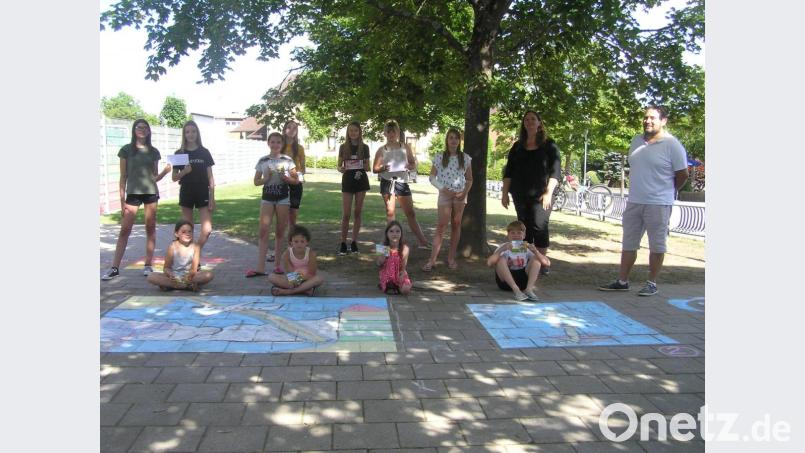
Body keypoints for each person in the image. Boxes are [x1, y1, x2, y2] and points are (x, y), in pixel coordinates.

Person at [599, 105, 688, 296]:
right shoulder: (636, 140)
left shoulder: (672, 145)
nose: (647, 121)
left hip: (659, 203)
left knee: (657, 245)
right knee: (628, 243)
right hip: (635, 201)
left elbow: (683, 174)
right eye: (645, 118)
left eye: (652, 118)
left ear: (663, 121)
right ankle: (622, 281)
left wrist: (669, 191)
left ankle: (652, 283)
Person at [102, 119, 171, 280]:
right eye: (139, 127)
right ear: (134, 130)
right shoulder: (126, 150)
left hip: (150, 193)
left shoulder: (154, 152)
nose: (142, 130)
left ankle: (148, 265)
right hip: (132, 194)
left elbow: (154, 177)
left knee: (150, 227)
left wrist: (166, 172)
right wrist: (121, 200)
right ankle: (115, 267)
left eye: (145, 128)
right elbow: (123, 176)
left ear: (148, 131)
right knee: (125, 230)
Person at [500, 111, 561, 275]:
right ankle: (525, 262)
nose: (529, 122)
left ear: (539, 123)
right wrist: (504, 193)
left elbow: (555, 172)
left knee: (540, 226)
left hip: (542, 195)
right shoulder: (517, 146)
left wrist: (548, 193)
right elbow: (509, 172)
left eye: (533, 119)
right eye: (526, 120)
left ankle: (541, 264)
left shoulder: (549, 145)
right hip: (520, 193)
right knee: (523, 227)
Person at [246, 132, 300, 278]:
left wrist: (287, 178)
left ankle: (277, 265)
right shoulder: (263, 160)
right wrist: (267, 178)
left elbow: (296, 180)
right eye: (273, 142)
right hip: (267, 198)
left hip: (283, 198)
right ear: (268, 143)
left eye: (278, 142)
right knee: (263, 230)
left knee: (280, 232)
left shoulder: (287, 160)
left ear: (281, 145)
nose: (275, 145)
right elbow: (256, 181)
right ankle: (260, 267)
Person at [372, 120, 430, 249]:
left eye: (394, 132)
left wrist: (409, 166)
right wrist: (383, 168)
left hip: (402, 183)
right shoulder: (382, 150)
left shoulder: (405, 147)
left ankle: (423, 241)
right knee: (390, 213)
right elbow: (375, 169)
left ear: (398, 133)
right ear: (385, 133)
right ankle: (390, 246)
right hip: (387, 183)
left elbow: (413, 164)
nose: (391, 134)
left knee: (410, 213)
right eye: (389, 132)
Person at [422, 127, 473, 271]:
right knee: (441, 226)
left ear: (459, 140)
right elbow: (432, 177)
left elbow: (469, 179)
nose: (454, 140)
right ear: (447, 140)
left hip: (459, 196)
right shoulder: (439, 156)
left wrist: (463, 193)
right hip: (444, 195)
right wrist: (443, 189)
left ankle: (451, 258)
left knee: (456, 225)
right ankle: (432, 260)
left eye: (456, 138)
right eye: (451, 137)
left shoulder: (465, 158)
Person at [171, 120, 216, 254]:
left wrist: (212, 197)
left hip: (202, 192)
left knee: (207, 230)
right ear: (184, 134)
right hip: (187, 192)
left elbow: (210, 177)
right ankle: (189, 258)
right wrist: (184, 172)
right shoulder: (179, 153)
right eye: (188, 132)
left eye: (193, 131)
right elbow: (174, 177)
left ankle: (194, 253)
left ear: (197, 133)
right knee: (186, 230)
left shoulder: (204, 152)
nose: (191, 134)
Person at [270, 120, 306, 262]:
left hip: (295, 184)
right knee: (281, 219)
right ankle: (277, 251)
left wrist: (297, 177)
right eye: (289, 127)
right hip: (281, 184)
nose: (292, 130)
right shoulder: (279, 146)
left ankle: (292, 250)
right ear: (284, 129)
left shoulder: (300, 148)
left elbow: (303, 168)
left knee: (293, 218)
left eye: (295, 128)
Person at [487, 220, 550, 301]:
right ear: (508, 235)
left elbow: (547, 263)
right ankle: (516, 290)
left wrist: (536, 252)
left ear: (524, 235)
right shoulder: (504, 247)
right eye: (512, 233)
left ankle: (529, 290)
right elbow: (489, 263)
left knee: (536, 259)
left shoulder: (527, 247)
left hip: (523, 282)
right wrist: (501, 250)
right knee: (501, 258)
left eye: (519, 233)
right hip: (505, 283)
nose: (516, 235)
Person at [146, 220, 214, 291]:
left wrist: (189, 276)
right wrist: (171, 275)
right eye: (183, 232)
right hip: (175, 276)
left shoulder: (196, 247)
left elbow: (194, 269)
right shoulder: (172, 247)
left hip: (189, 276)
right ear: (176, 234)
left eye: (190, 231)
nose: (187, 234)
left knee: (209, 275)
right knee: (151, 277)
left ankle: (176, 285)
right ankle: (186, 286)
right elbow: (166, 268)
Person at [336, 121, 371, 255]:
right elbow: (339, 166)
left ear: (359, 132)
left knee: (357, 212)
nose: (353, 133)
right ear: (348, 132)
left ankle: (354, 242)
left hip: (361, 180)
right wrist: (342, 168)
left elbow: (368, 166)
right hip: (348, 181)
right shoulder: (343, 147)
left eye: (356, 130)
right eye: (351, 130)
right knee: (346, 214)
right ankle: (343, 242)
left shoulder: (365, 147)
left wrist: (362, 164)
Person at [268, 225, 324, 296]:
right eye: (296, 241)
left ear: (307, 242)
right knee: (271, 277)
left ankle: (288, 291)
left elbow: (312, 274)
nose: (299, 244)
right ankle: (305, 290)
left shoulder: (311, 254)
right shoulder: (287, 254)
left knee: (319, 278)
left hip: (307, 279)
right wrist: (295, 281)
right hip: (293, 280)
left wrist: (300, 279)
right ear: (291, 242)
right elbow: (289, 272)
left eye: (302, 241)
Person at [377, 220, 413, 295]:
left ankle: (397, 286)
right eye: (391, 231)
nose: (394, 234)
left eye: (397, 231)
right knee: (391, 259)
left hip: (399, 273)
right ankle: (388, 285)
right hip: (386, 274)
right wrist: (383, 254)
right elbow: (379, 264)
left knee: (406, 290)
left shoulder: (405, 248)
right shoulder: (383, 246)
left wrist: (402, 276)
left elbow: (403, 268)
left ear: (401, 233)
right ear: (387, 234)